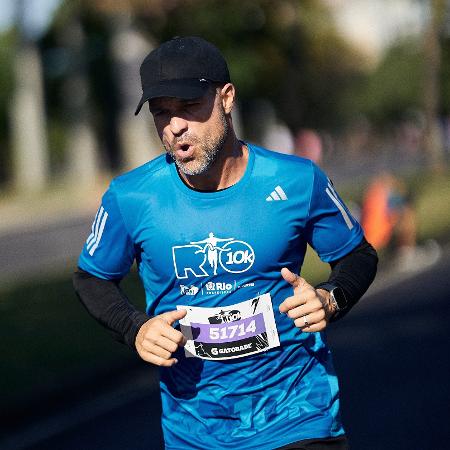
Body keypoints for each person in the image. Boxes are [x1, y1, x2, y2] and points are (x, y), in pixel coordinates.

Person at [73, 36, 378, 450]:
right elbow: (91, 278)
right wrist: (135, 328)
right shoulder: (132, 197)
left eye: (189, 108)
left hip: (298, 414)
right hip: (196, 432)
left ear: (226, 98)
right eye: (162, 113)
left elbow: (357, 255)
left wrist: (330, 299)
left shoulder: (296, 181)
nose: (175, 126)